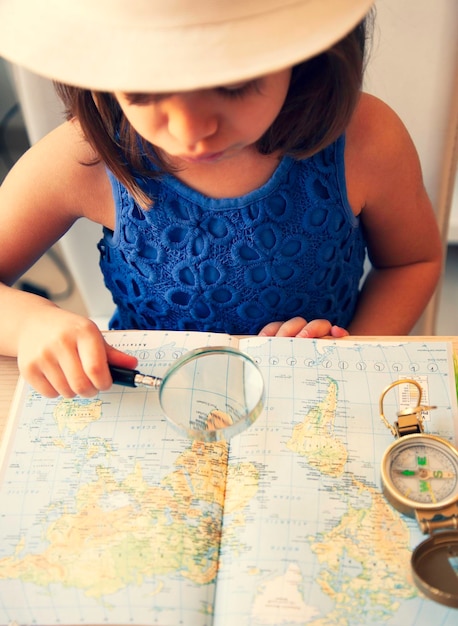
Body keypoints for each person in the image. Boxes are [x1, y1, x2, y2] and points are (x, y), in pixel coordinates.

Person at [0, 0, 442, 400]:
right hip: (149, 402)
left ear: (303, 50)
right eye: (143, 90)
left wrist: (346, 359)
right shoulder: (86, 158)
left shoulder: (365, 140)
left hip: (310, 395)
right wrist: (30, 324)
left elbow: (411, 263)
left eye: (232, 85)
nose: (190, 130)